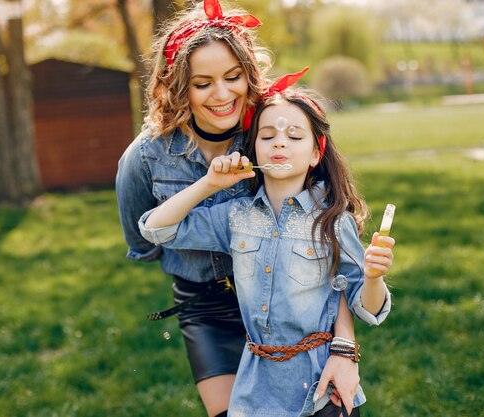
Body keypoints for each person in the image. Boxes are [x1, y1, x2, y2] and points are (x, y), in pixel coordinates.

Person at [116, 1, 361, 416]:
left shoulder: (272, 134)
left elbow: (325, 250)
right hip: (206, 308)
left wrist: (345, 347)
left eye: (233, 77)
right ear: (178, 86)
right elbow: (147, 238)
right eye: (202, 83)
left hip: (292, 302)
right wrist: (205, 188)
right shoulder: (144, 159)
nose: (223, 94)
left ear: (249, 76)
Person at [138, 86, 395, 417]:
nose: (280, 142)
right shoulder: (235, 217)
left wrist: (374, 277)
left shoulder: (332, 222)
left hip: (323, 393)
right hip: (256, 392)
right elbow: (157, 229)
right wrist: (209, 185)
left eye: (294, 136)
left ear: (317, 153)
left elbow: (367, 309)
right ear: (254, 148)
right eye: (267, 135)